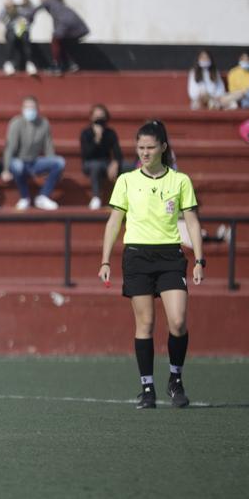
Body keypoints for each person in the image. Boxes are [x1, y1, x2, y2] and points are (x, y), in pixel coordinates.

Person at [98, 120, 203, 409]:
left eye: (150, 147)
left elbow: (191, 222)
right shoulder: (126, 180)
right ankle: (147, 387)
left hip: (170, 256)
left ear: (163, 148)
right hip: (137, 257)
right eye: (140, 147)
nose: (144, 152)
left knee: (178, 321)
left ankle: (175, 379)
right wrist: (105, 259)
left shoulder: (179, 181)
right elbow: (114, 222)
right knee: (145, 323)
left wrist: (199, 259)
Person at [4, 96, 66, 210]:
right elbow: (10, 148)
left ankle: (43, 196)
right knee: (17, 165)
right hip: (19, 160)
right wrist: (6, 169)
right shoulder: (16, 123)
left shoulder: (44, 123)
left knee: (59, 162)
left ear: (37, 109)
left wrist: (50, 164)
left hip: (34, 161)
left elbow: (48, 147)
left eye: (32, 107)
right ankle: (24, 197)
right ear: (22, 109)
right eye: (27, 107)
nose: (29, 110)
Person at [79, 104, 124, 210]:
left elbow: (118, 152)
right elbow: (86, 154)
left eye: (102, 116)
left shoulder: (110, 133)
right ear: (91, 117)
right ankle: (96, 197)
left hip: (106, 163)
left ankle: (122, 200)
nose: (99, 119)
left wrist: (115, 163)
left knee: (127, 167)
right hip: (89, 164)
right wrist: (97, 139)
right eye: (96, 116)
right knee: (95, 166)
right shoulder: (86, 133)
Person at [37, 0, 89, 75]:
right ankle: (70, 64)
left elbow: (36, 9)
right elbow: (58, 18)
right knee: (61, 42)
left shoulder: (49, 0)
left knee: (55, 39)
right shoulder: (57, 3)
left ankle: (56, 65)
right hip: (75, 26)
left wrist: (27, 16)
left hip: (67, 25)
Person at [0, 0, 39, 76]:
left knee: (25, 36)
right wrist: (8, 8)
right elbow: (0, 18)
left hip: (23, 29)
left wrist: (23, 10)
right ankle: (8, 63)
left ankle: (29, 63)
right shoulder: (9, 4)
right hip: (11, 29)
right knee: (12, 36)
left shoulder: (29, 5)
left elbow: (32, 18)